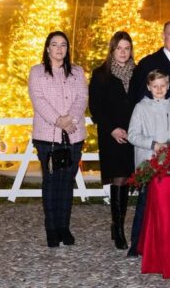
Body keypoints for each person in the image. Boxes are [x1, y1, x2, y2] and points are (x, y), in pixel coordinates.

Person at [28, 31, 88, 248]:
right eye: (55, 45)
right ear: (47, 48)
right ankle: (51, 229)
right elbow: (38, 100)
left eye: (63, 45)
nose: (59, 49)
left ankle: (64, 227)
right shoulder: (37, 72)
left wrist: (69, 119)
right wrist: (58, 120)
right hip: (47, 137)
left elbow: (82, 98)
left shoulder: (77, 72)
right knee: (51, 183)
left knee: (66, 183)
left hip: (73, 135)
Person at [125, 69, 170, 258]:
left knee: (169, 206)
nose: (159, 89)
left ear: (168, 86)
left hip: (169, 163)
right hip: (148, 163)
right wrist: (153, 144)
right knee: (144, 205)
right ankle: (137, 244)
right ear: (148, 87)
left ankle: (168, 244)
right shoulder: (140, 108)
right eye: (155, 86)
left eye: (162, 86)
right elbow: (133, 135)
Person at [88, 31, 137, 250]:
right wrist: (112, 129)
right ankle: (118, 228)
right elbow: (95, 108)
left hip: (133, 134)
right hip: (111, 135)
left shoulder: (138, 73)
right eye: (119, 48)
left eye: (127, 48)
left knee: (126, 178)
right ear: (112, 49)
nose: (123, 52)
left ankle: (118, 223)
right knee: (117, 177)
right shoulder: (100, 74)